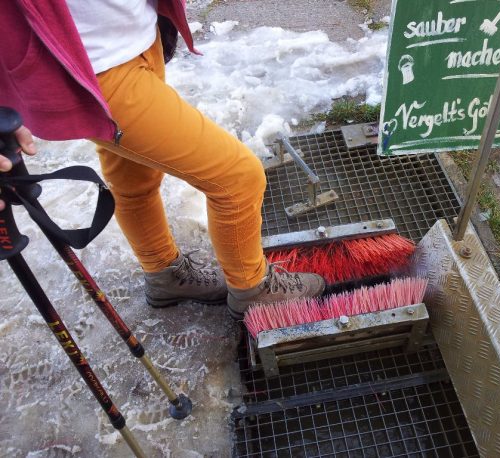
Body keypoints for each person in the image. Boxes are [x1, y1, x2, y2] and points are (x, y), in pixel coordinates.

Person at [0, 0, 325, 318]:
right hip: (94, 72)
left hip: (139, 40)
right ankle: (253, 290)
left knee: (134, 176)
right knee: (237, 176)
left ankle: (164, 275)